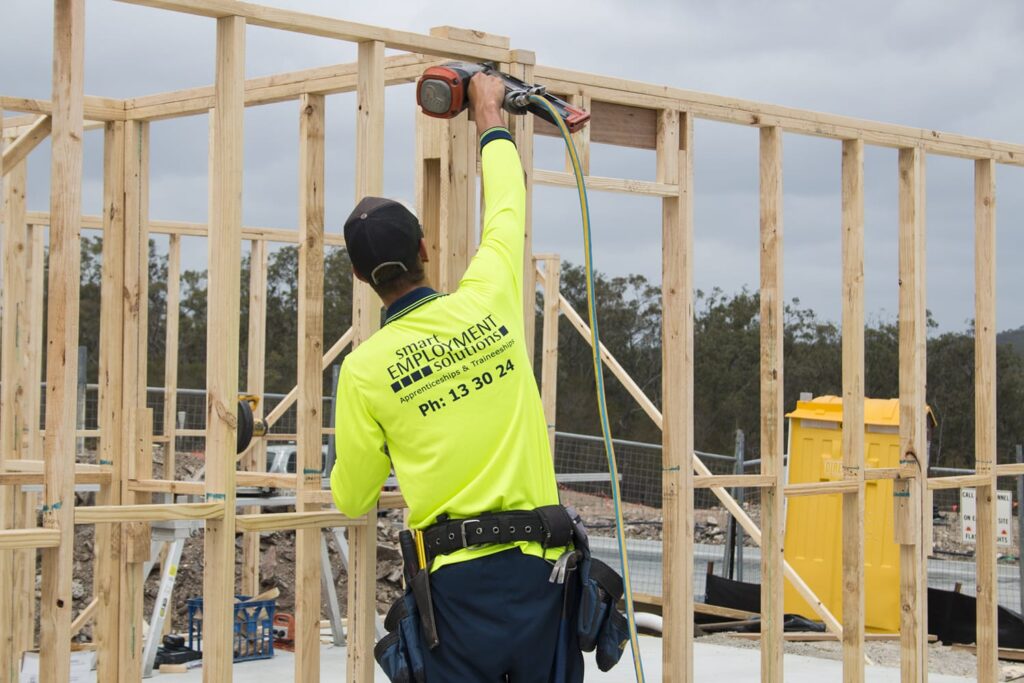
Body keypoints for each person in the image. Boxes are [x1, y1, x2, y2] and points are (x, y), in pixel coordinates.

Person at [330, 73, 585, 682]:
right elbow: (506, 206)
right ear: (424, 246)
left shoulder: (364, 371)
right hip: (541, 576)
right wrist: (489, 115)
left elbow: (354, 496)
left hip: (455, 592)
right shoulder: (488, 298)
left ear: (363, 279)